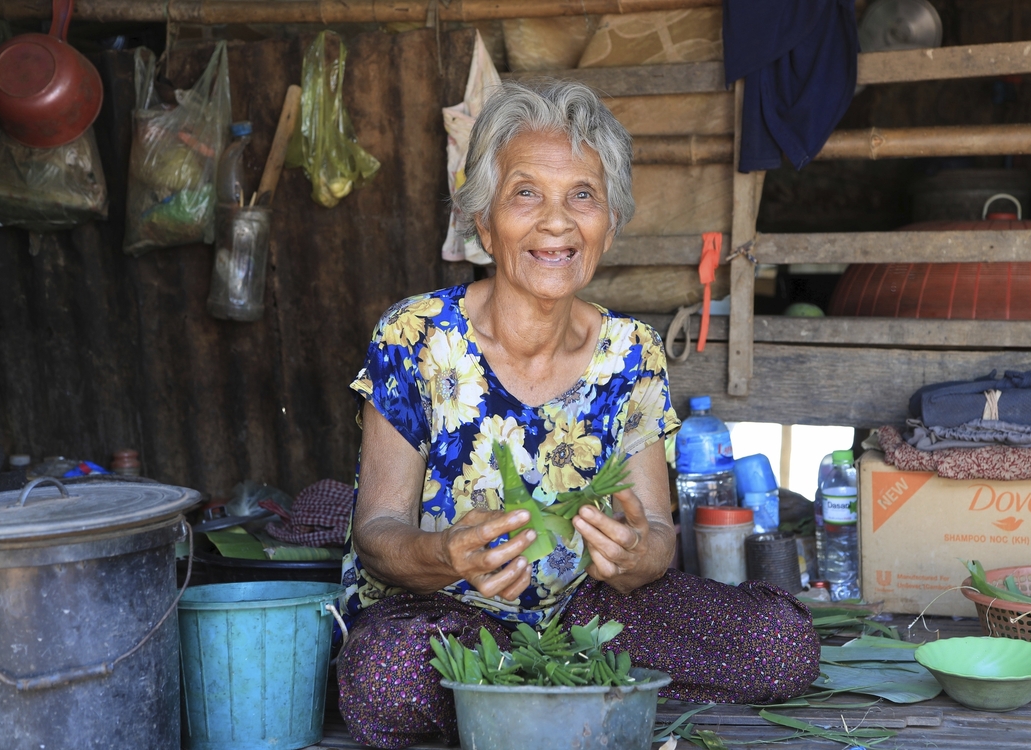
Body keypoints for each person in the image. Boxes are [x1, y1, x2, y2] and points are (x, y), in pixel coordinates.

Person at [337, 79, 819, 749]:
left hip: (589, 613)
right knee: (382, 679)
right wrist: (443, 553)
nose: (556, 221)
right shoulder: (415, 337)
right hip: (449, 614)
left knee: (781, 646)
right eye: (526, 193)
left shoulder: (630, 354)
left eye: (582, 196)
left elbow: (655, 534)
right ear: (483, 221)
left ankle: (530, 690)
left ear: (610, 223)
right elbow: (378, 531)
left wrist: (633, 556)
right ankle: (570, 690)